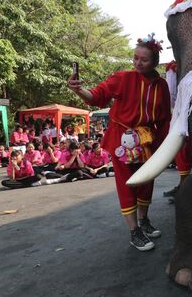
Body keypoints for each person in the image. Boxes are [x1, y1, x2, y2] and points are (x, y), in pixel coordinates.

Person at [67, 33, 171, 251]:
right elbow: (97, 96)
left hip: (146, 141)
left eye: (143, 59)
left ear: (154, 62)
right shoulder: (123, 78)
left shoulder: (161, 85)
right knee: (127, 184)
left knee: (146, 181)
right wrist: (78, 90)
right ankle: (134, 232)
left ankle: (144, 221)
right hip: (121, 141)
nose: (137, 63)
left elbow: (164, 119)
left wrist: (163, 147)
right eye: (135, 58)